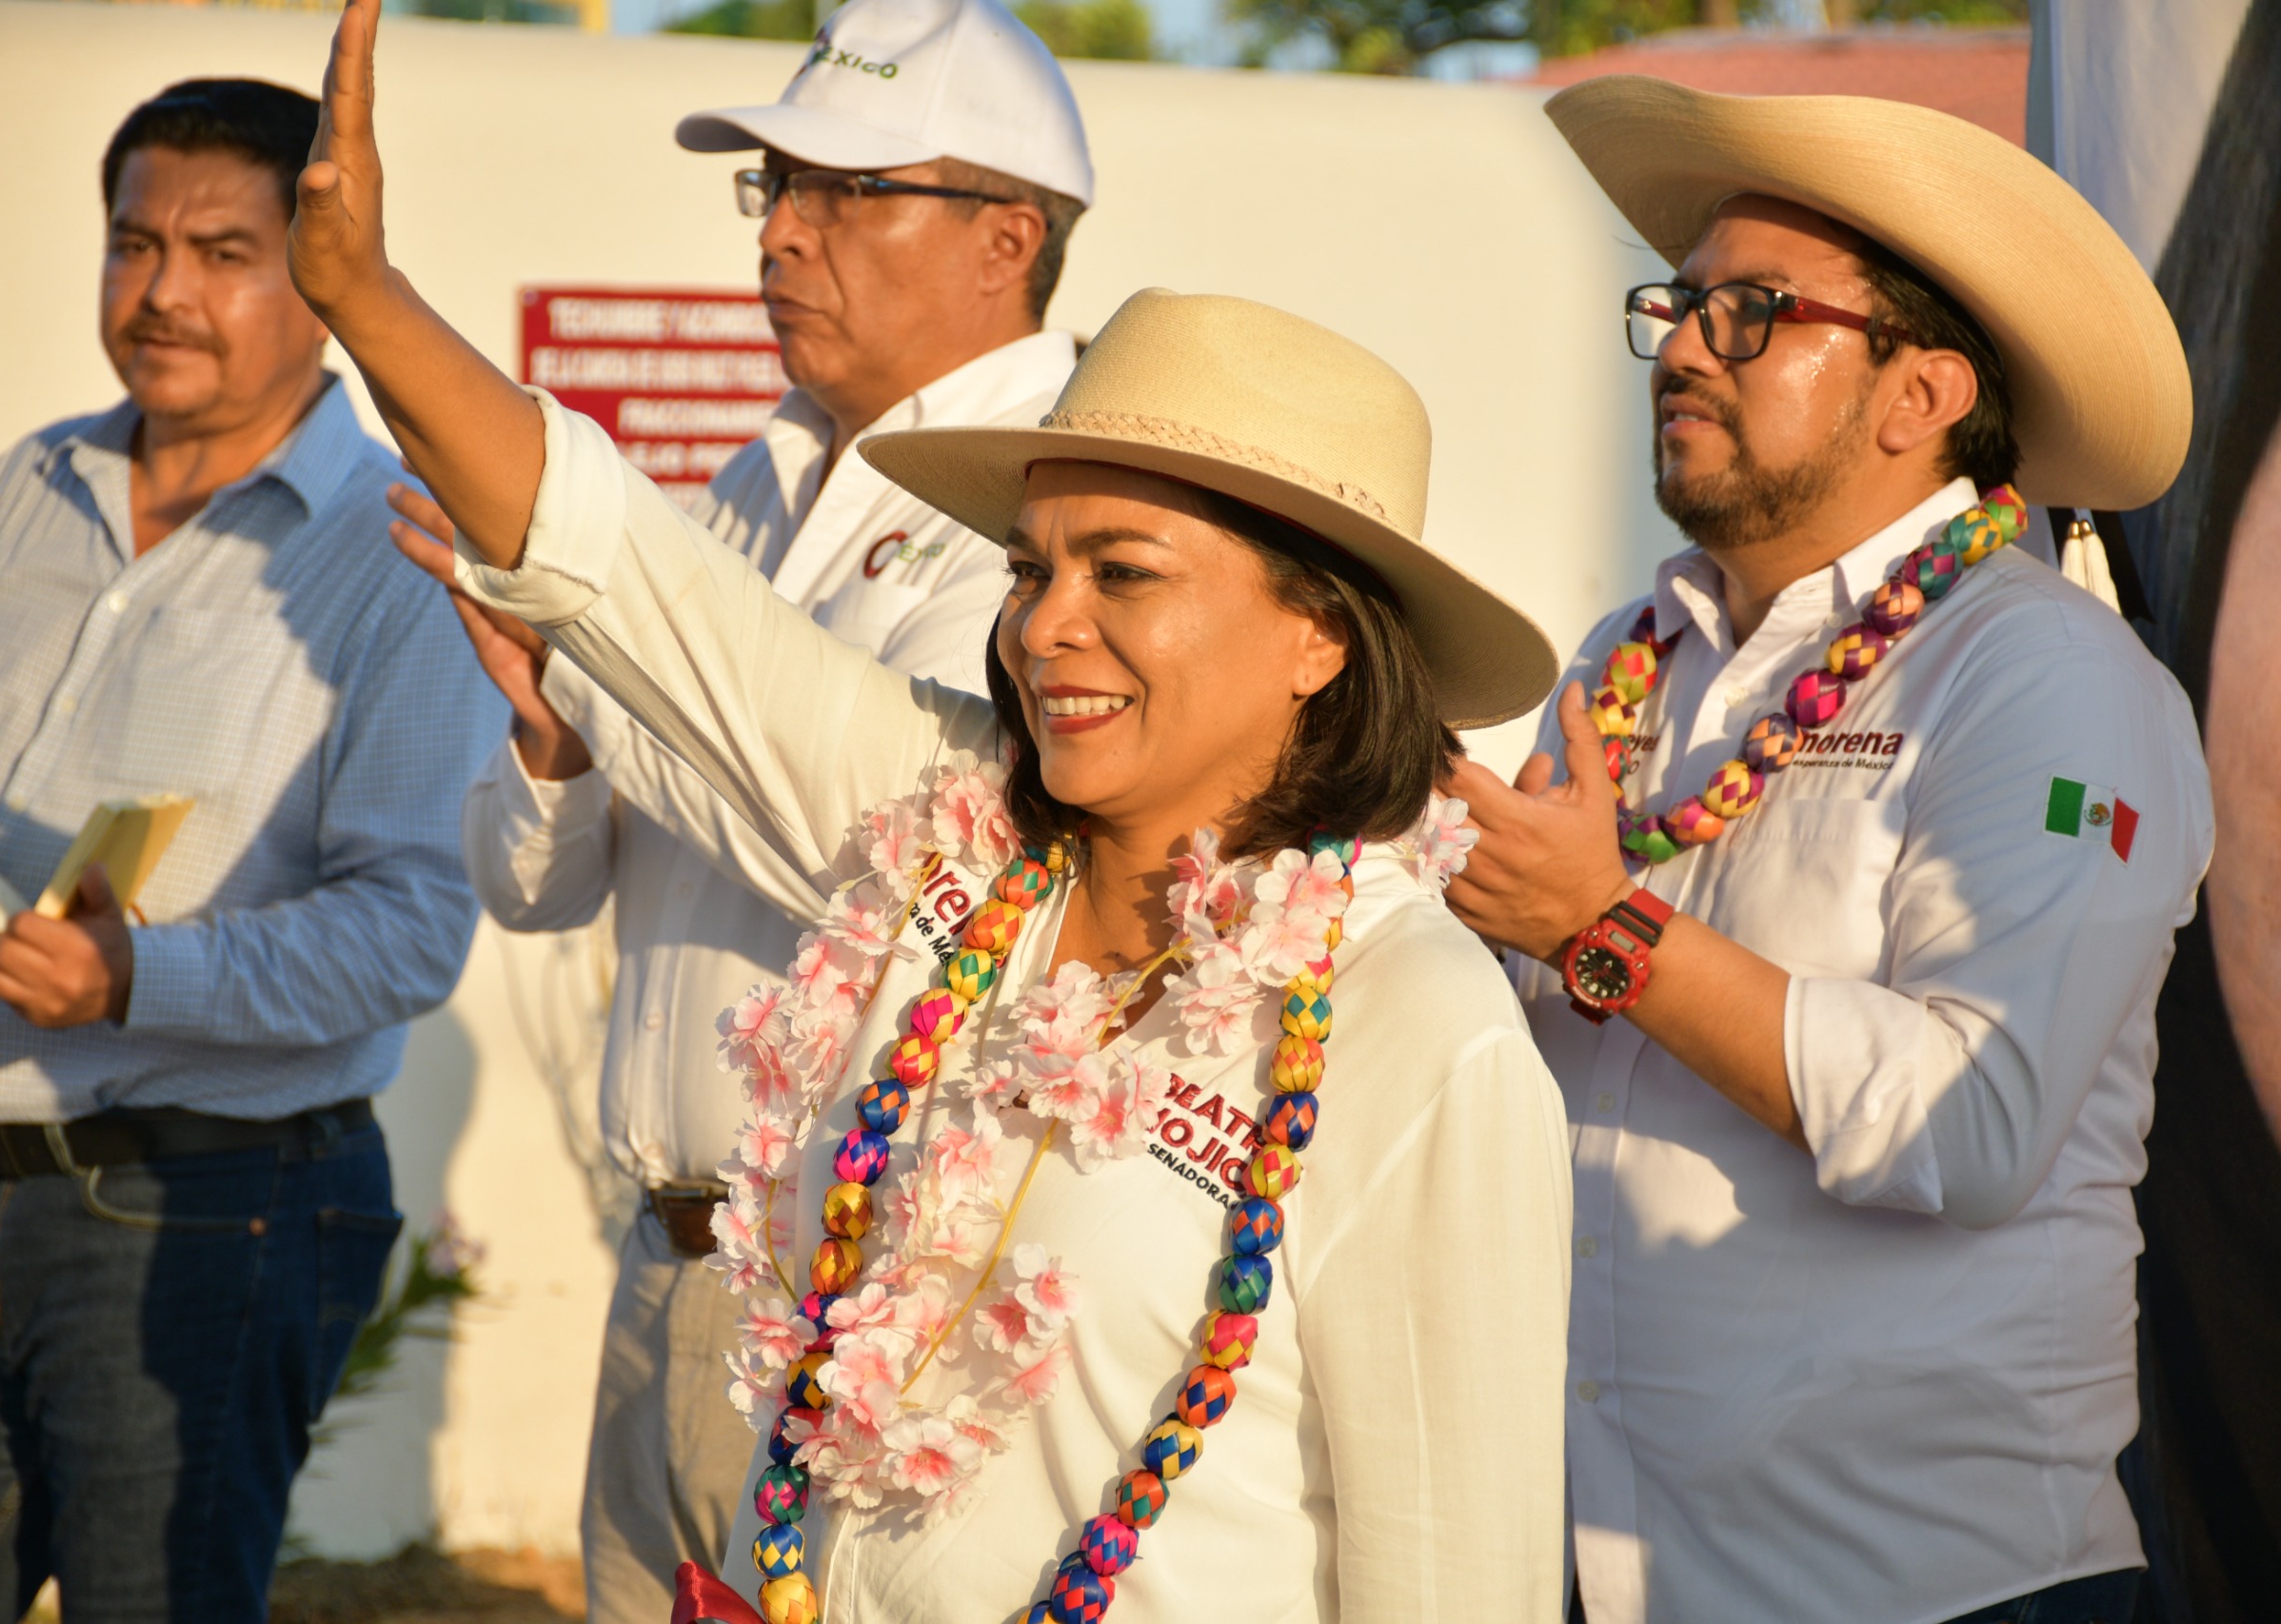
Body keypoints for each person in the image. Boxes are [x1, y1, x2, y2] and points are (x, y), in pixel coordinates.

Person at [291, 5, 1575, 1618]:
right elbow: (628, 572)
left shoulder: (1406, 1015)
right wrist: (363, 297)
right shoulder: (962, 840)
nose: (1044, 627)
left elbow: (1458, 1578)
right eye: (1033, 568)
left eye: (1125, 574)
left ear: (1318, 633)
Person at [1441, 78, 2212, 1624]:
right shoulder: (1632, 651)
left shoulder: (2049, 675)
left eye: (1750, 314)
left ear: (1919, 396)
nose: (1680, 346)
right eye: (1675, 305)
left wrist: (1602, 927)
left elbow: (1974, 1116)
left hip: (1931, 1588)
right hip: (1607, 1561)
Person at [390, 0, 1093, 1612]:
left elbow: (875, 844)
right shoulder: (749, 482)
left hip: (868, 1292)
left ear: (1006, 239)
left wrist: (602, 670)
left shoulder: (1053, 506)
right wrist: (557, 732)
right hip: (670, 1262)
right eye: (774, 188)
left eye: (846, 191)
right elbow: (535, 886)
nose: (783, 232)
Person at [0, 79, 496, 1621]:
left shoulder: (402, 546)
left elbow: (414, 931)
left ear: (318, 284)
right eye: (134, 244)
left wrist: (138, 973)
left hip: (218, 1207)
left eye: (223, 250)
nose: (164, 294)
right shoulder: (26, 486)